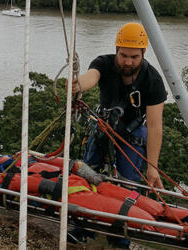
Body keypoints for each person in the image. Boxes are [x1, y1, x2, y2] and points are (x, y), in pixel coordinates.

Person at [67, 22, 167, 248]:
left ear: (143, 53)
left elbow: (154, 125)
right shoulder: (104, 63)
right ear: (116, 50)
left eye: (134, 56)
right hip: (104, 127)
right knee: (87, 176)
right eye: (123, 55)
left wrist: (152, 166)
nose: (128, 62)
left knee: (128, 187)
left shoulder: (152, 80)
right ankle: (82, 228)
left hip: (132, 134)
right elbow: (91, 77)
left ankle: (120, 237)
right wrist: (77, 84)